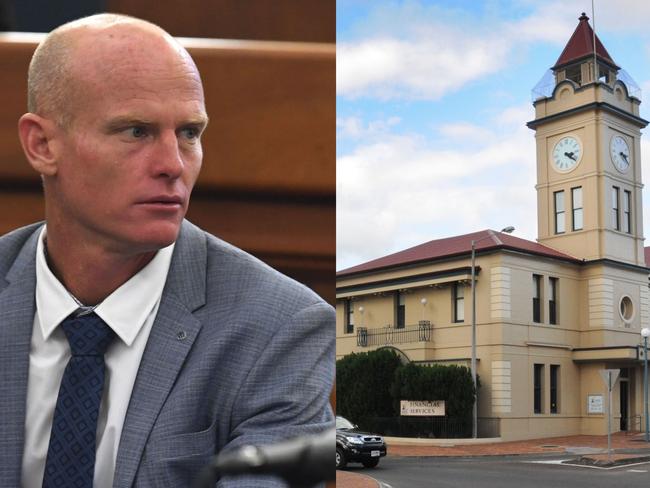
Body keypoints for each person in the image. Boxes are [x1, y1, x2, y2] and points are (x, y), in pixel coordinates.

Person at [0, 13, 334, 488]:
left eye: (190, 134)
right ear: (42, 144)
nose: (172, 165)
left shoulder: (279, 328)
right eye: (136, 132)